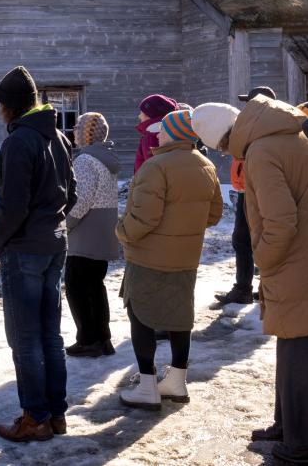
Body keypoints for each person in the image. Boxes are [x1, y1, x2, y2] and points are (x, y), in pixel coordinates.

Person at [211, 96, 308, 465]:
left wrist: (263, 260)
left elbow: (281, 222)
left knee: (299, 354)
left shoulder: (263, 152)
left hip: (298, 264)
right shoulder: (288, 134)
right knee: (296, 348)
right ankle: (289, 427)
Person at [0, 66, 76, 443]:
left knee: (25, 338)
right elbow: (71, 192)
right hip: (55, 243)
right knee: (49, 335)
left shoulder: (20, 141)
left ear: (9, 106)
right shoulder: (57, 135)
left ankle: (34, 417)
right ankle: (55, 415)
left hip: (24, 249)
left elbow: (13, 205)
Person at [115, 109, 222, 410]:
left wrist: (121, 232)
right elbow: (213, 215)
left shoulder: (155, 167)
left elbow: (143, 219)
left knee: (141, 316)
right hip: (186, 259)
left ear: (175, 132)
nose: (157, 134)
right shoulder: (207, 166)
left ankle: (147, 385)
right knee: (179, 318)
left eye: (162, 129)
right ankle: (177, 380)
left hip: (149, 257)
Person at [64, 112, 120, 358]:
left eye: (78, 127)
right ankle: (103, 338)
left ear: (87, 134)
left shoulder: (85, 160)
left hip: (86, 231)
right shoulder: (106, 159)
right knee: (95, 286)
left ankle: (88, 340)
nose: (74, 130)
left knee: (77, 286)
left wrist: (66, 224)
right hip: (103, 229)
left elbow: (81, 199)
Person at [214, 86, 276, 306]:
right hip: (246, 189)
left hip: (254, 190)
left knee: (251, 240)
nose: (245, 106)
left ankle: (249, 289)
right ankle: (256, 288)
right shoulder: (257, 124)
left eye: (249, 101)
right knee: (247, 240)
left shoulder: (259, 126)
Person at [134, 94, 178, 174]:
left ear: (150, 115)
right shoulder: (170, 131)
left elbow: (151, 171)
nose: (139, 116)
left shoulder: (152, 135)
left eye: (142, 113)